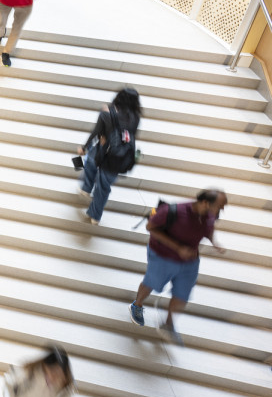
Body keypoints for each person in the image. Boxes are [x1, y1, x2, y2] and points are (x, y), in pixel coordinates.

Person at [129, 189, 227, 345]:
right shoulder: (173, 211)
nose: (222, 210)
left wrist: (214, 242)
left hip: (190, 261)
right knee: (151, 283)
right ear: (205, 203)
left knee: (182, 295)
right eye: (220, 206)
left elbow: (209, 227)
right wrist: (178, 248)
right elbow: (151, 227)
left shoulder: (210, 215)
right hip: (163, 256)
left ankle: (168, 324)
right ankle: (137, 304)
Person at [78, 87, 142, 225]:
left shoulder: (106, 113)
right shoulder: (136, 118)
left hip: (103, 150)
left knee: (90, 161)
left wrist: (85, 147)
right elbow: (129, 135)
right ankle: (95, 216)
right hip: (120, 156)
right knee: (103, 187)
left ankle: (86, 187)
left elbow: (96, 132)